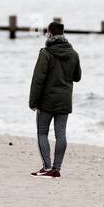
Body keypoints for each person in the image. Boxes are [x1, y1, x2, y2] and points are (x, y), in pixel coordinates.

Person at [27, 19, 81, 178]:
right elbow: (77, 77)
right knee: (61, 134)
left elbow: (38, 80)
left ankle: (46, 167)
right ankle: (56, 169)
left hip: (46, 101)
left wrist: (33, 102)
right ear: (63, 34)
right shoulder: (73, 53)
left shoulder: (46, 53)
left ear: (49, 34)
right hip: (64, 101)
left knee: (42, 133)